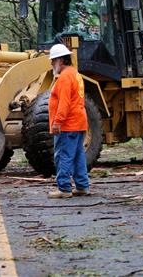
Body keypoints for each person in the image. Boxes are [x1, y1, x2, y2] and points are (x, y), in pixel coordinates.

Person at [47, 44, 90, 198]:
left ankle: (64, 188)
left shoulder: (65, 77)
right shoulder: (75, 74)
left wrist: (57, 122)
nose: (51, 63)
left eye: (53, 60)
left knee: (63, 155)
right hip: (78, 122)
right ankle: (82, 186)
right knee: (78, 155)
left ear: (60, 60)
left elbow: (64, 103)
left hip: (68, 124)